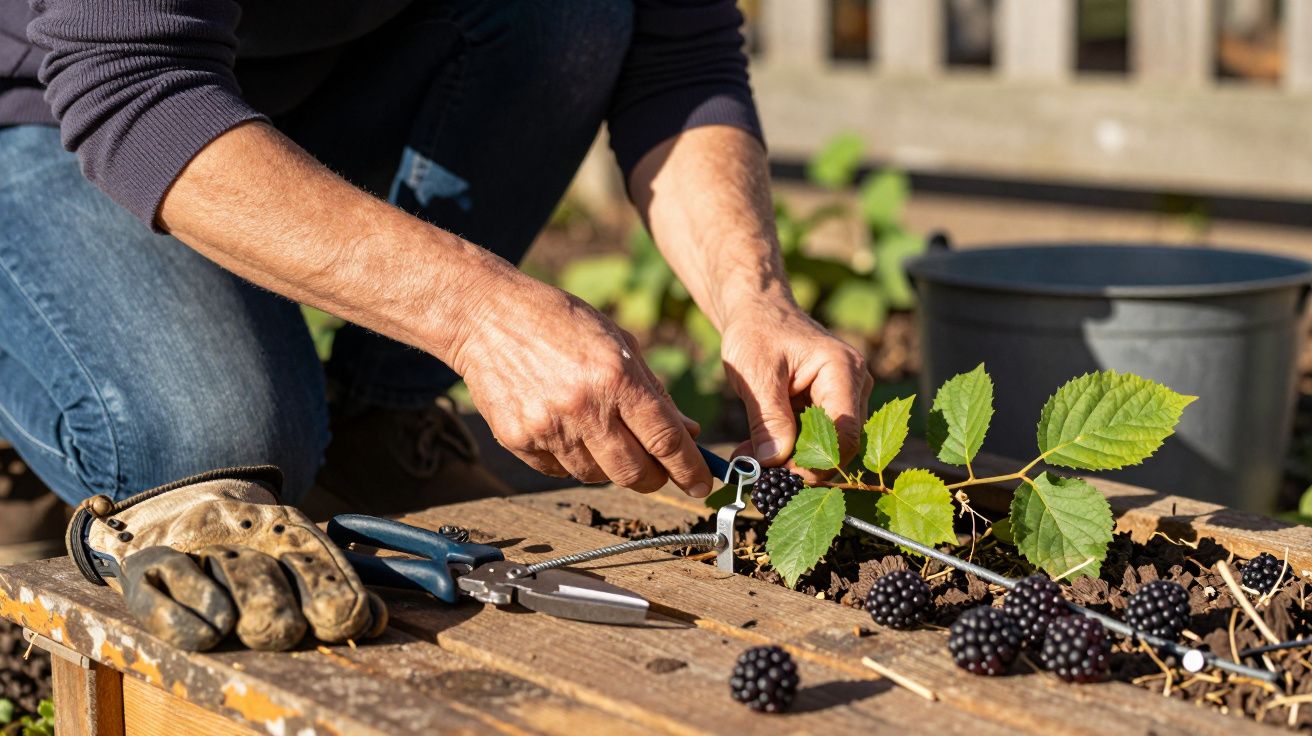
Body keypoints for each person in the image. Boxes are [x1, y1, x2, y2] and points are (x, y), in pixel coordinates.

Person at [0, 0, 872, 552]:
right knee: (225, 449)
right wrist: (480, 316)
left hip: (296, 78)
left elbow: (677, 57)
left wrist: (756, 300)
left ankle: (381, 424)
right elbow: (131, 78)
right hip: (49, 101)